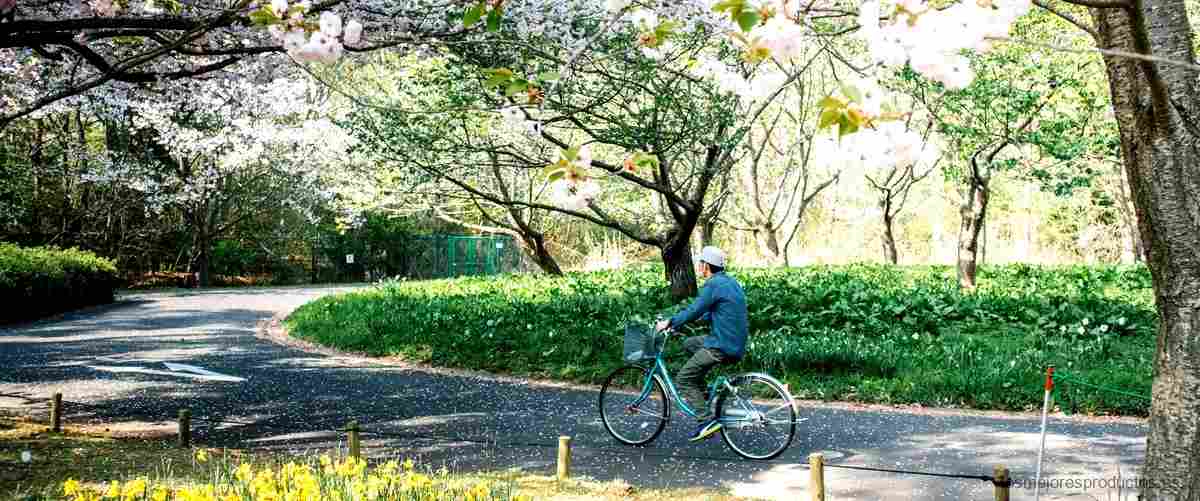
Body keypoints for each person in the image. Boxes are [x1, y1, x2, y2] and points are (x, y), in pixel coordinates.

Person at [655, 246, 748, 442]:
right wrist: (685, 322)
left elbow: (694, 309)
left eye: (700, 264)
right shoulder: (730, 282)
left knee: (683, 379)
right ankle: (703, 391)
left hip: (720, 346)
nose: (699, 267)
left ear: (706, 266)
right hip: (733, 342)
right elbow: (712, 313)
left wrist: (671, 322)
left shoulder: (713, 285)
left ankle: (706, 421)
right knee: (690, 343)